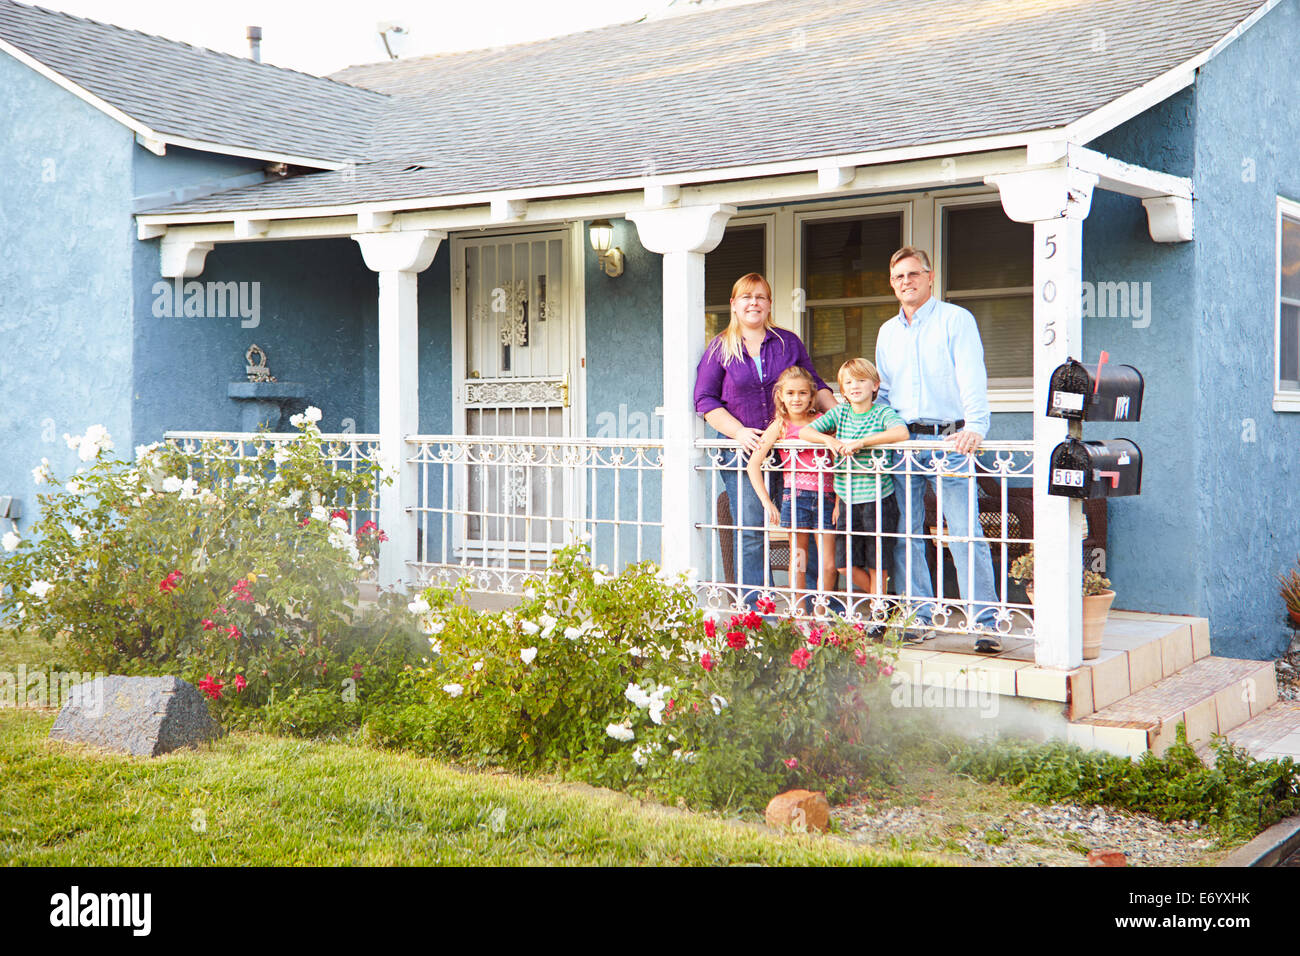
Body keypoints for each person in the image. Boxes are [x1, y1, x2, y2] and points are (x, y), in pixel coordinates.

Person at [874, 246, 1002, 652]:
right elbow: (885, 393)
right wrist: (871, 431)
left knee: (965, 532)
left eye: (913, 274)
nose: (906, 282)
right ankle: (919, 617)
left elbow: (971, 376)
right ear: (892, 284)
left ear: (929, 278)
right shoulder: (887, 332)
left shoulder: (955, 320)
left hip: (950, 441)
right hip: (903, 443)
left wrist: (976, 427)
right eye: (898, 277)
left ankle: (987, 622)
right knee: (906, 531)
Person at [694, 273, 835, 604]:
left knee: (806, 528)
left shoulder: (787, 343)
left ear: (769, 304)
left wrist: (841, 420)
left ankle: (813, 602)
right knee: (752, 529)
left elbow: (815, 384)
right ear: (734, 304)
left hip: (793, 451)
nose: (753, 302)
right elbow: (705, 400)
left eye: (760, 297)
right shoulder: (719, 347)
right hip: (744, 452)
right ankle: (758, 608)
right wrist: (739, 431)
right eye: (746, 297)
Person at [800, 358, 908, 605]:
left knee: (876, 561)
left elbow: (901, 433)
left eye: (861, 380)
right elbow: (806, 432)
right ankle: (886, 601)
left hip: (877, 498)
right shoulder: (841, 412)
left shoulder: (882, 412)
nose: (855, 386)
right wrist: (829, 440)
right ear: (842, 388)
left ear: (875, 386)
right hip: (848, 500)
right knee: (844, 565)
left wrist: (862, 442)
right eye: (848, 382)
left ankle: (879, 612)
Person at [745, 366, 839, 613]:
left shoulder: (823, 422)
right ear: (781, 396)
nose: (796, 398)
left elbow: (840, 462)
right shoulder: (780, 426)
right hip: (796, 499)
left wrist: (840, 502)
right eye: (790, 393)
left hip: (827, 498)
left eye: (802, 393)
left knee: (828, 565)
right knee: (798, 562)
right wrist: (767, 502)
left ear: (811, 396)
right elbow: (753, 465)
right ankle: (799, 616)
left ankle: (821, 615)